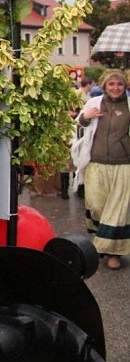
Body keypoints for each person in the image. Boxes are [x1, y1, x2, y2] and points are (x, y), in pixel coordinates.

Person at [71, 69, 130, 270]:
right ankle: (104, 240)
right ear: (104, 85)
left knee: (117, 212)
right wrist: (85, 117)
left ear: (125, 86)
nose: (115, 88)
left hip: (123, 165)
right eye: (111, 84)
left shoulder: (129, 105)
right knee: (96, 206)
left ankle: (113, 253)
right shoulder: (93, 103)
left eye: (119, 84)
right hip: (95, 164)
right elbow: (78, 125)